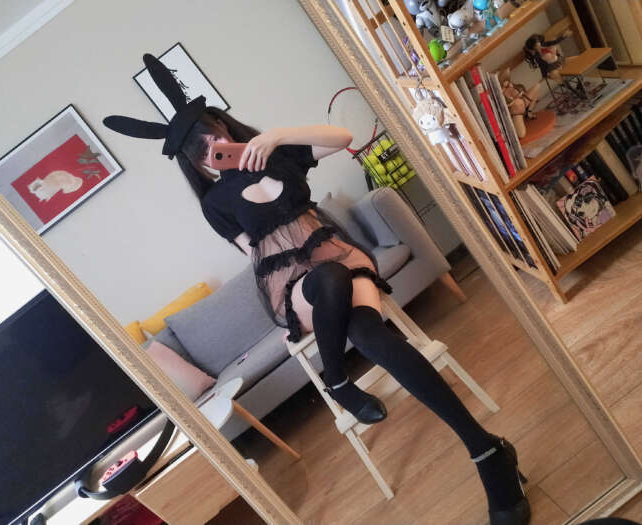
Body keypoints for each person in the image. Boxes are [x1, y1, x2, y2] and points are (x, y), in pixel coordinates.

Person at [103, 53, 530, 525]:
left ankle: (485, 450)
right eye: (203, 153)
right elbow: (254, 253)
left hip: (338, 254)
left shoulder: (279, 155)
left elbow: (342, 138)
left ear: (223, 124)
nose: (215, 150)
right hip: (292, 283)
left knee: (367, 332)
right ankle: (341, 380)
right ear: (197, 165)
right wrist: (290, 295)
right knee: (328, 280)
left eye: (215, 137)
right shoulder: (216, 203)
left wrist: (276, 136)